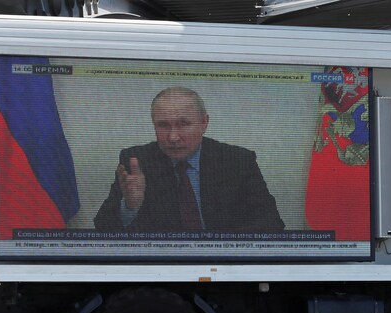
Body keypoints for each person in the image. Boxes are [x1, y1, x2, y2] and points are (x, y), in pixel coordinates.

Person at [94, 86, 284, 233]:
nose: (173, 137)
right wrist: (130, 206)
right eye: (163, 126)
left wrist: (217, 248)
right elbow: (103, 227)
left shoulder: (237, 161)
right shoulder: (137, 162)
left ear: (204, 123)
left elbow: (271, 223)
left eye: (183, 124)